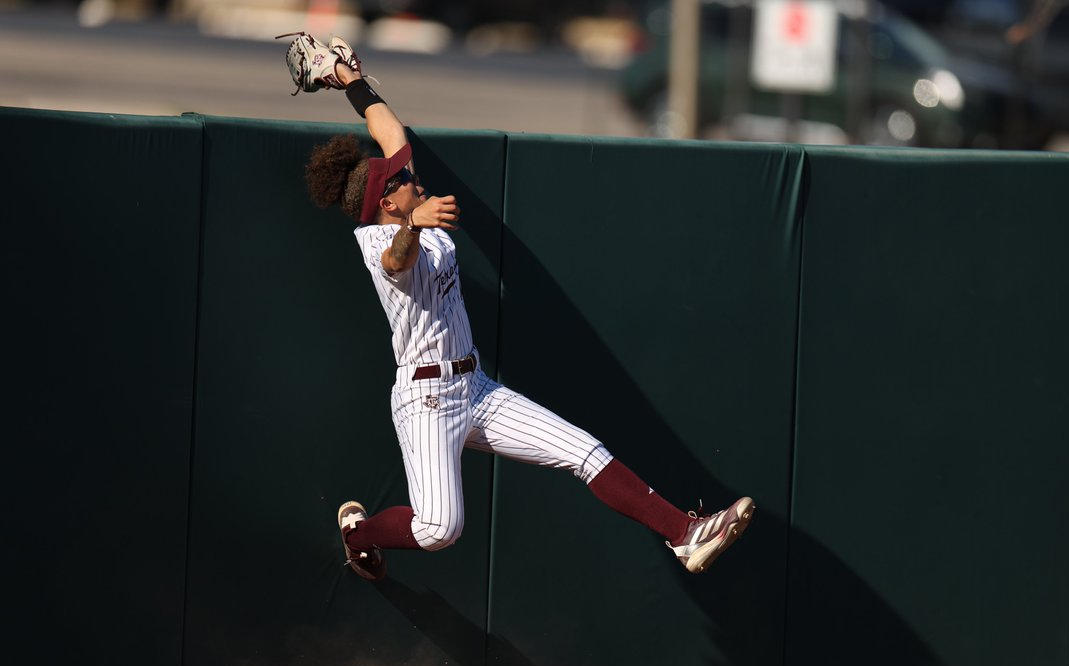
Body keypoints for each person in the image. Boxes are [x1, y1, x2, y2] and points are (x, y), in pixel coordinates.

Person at [295, 38, 754, 582]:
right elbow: (399, 259)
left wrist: (347, 79)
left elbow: (389, 131)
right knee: (440, 529)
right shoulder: (377, 240)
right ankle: (359, 535)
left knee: (584, 450)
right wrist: (414, 227)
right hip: (425, 400)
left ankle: (684, 533)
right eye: (401, 180)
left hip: (475, 387)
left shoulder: (408, 202)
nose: (412, 175)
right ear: (388, 203)